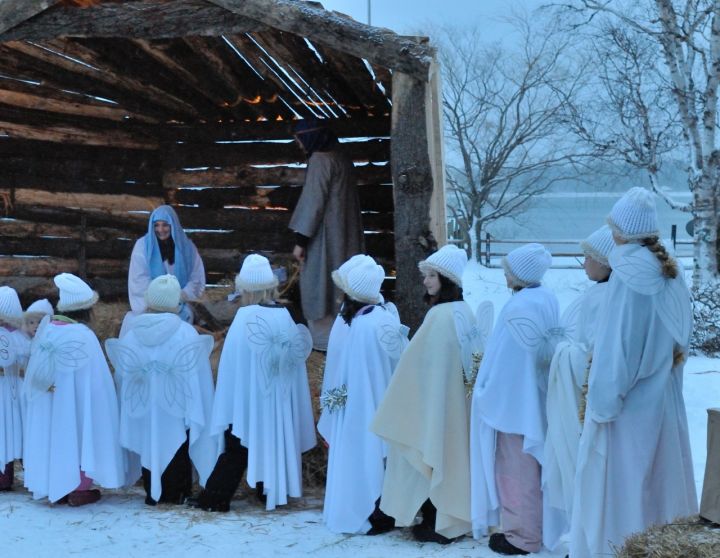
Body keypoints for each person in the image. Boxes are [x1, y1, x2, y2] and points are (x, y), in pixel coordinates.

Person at [569, 187, 697, 558]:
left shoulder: (626, 271)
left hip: (628, 406)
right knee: (659, 488)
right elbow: (679, 338)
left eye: (613, 226)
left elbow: (617, 349)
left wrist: (602, 405)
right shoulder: (668, 268)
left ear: (622, 231)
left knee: (624, 492)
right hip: (663, 398)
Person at [371, 244, 479, 544]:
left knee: (433, 454)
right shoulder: (463, 312)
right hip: (455, 405)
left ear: (448, 279)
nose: (426, 281)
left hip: (439, 403)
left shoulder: (441, 316)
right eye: (427, 275)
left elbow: (414, 366)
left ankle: (437, 522)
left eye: (432, 275)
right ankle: (448, 517)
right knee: (450, 456)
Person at [195, 254, 316, 512]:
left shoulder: (244, 318)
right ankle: (268, 491)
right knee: (273, 439)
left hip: (247, 401)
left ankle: (216, 497)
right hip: (276, 398)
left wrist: (233, 399)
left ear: (245, 288)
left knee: (236, 445)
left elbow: (232, 367)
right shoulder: (286, 316)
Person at [471, 243, 559, 556]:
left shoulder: (520, 306)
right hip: (536, 396)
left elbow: (507, 360)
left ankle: (522, 535)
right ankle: (534, 528)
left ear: (520, 274)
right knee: (533, 468)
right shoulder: (545, 298)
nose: (505, 274)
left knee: (514, 470)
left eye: (509, 269)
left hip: (515, 404)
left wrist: (485, 391)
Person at [105, 275, 220, 506]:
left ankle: (152, 491)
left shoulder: (133, 334)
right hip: (176, 405)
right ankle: (177, 492)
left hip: (144, 405)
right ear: (175, 302)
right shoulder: (186, 333)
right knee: (178, 441)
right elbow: (198, 377)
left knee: (150, 440)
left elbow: (124, 375)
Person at [318, 254, 409, 535]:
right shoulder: (384, 319)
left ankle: (369, 512)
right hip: (382, 403)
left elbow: (347, 373)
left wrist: (338, 406)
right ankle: (383, 510)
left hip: (360, 407)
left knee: (362, 456)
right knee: (380, 458)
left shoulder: (362, 325)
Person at [23, 273, 125, 506]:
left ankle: (54, 484)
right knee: (80, 432)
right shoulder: (83, 335)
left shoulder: (46, 331)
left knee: (54, 433)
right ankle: (78, 487)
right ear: (85, 310)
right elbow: (97, 380)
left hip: (51, 399)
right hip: (77, 402)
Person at [542, 225, 614, 550]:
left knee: (586, 466)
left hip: (589, 397)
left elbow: (592, 352)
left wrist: (564, 353)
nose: (583, 262)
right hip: (590, 392)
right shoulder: (604, 294)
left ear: (605, 261)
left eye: (588, 256)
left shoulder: (602, 297)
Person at [288, 118, 364, 351]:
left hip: (325, 238)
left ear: (311, 138)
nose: (299, 146)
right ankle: (344, 337)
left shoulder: (321, 160)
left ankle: (324, 344)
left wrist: (301, 240)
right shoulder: (342, 158)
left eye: (300, 140)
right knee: (342, 285)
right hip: (345, 236)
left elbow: (314, 201)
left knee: (319, 284)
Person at [128, 205, 205, 324]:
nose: (160, 229)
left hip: (180, 304)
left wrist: (181, 296)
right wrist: (160, 300)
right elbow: (139, 280)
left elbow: (195, 277)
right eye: (156, 225)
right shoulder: (142, 247)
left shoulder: (187, 248)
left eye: (165, 225)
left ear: (173, 224)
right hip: (151, 306)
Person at [0, 286, 29, 491]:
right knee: (11, 429)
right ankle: (5, 475)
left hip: (15, 388)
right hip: (15, 388)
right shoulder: (23, 337)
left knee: (19, 428)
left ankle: (26, 473)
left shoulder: (21, 337)